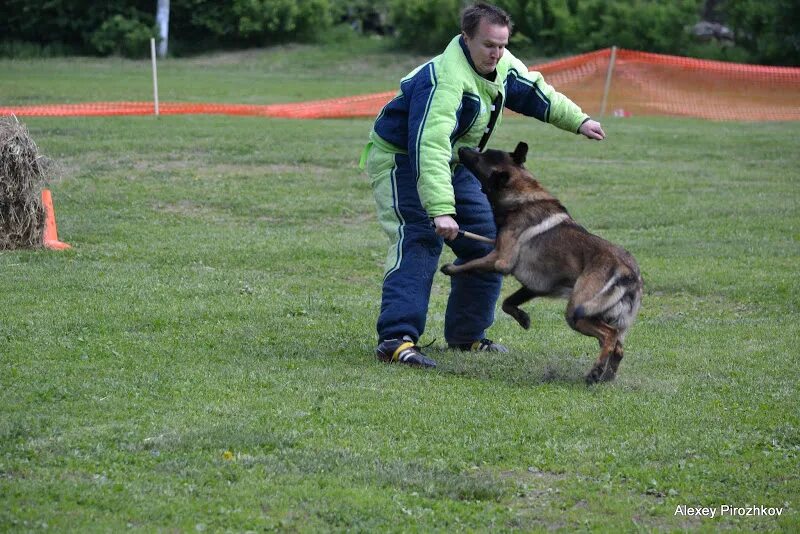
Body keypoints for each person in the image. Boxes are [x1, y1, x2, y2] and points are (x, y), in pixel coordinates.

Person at [362, 2, 605, 368]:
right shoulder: (444, 79)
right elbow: (428, 145)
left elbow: (536, 93)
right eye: (489, 44)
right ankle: (397, 340)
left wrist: (579, 121)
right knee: (421, 238)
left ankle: (466, 336)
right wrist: (441, 210)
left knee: (490, 240)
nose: (497, 53)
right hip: (405, 159)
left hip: (456, 161)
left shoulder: (502, 64)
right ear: (466, 37)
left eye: (502, 45)